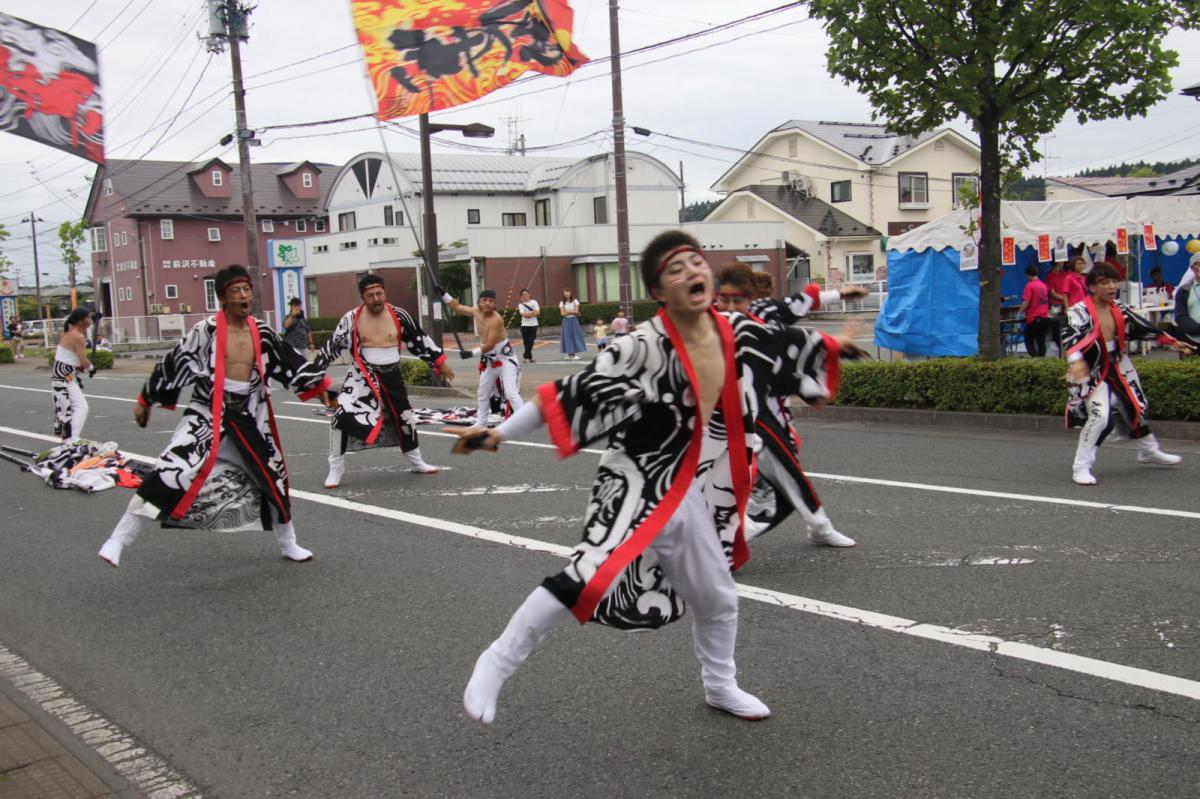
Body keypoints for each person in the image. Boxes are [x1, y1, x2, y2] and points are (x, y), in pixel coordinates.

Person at [448, 230, 860, 727]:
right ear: (660, 292)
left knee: (718, 596)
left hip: (702, 487)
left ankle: (720, 685)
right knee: (589, 576)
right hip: (642, 478)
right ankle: (497, 660)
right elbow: (569, 395)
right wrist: (500, 432)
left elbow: (792, 341)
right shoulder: (641, 347)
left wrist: (835, 345)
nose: (693, 273)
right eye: (675, 269)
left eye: (696, 262)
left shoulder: (738, 331)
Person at [96, 265, 334, 567]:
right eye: (236, 291)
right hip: (207, 417)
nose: (244, 296)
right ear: (223, 297)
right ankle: (117, 540)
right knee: (170, 473)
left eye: (247, 289)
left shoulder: (261, 331)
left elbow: (290, 361)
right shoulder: (205, 331)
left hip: (249, 418)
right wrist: (146, 399)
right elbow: (175, 362)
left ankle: (289, 544)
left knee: (273, 481)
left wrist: (323, 388)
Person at [718, 265, 866, 547]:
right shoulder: (706, 324)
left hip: (760, 409)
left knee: (786, 465)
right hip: (715, 416)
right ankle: (726, 536)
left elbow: (796, 329)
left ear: (751, 299)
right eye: (724, 300)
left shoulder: (763, 318)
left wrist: (834, 340)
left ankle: (812, 525)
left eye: (738, 300)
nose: (730, 307)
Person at [314, 274, 453, 488]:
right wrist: (315, 376)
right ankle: (336, 466)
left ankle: (416, 461)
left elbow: (419, 339)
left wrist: (439, 362)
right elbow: (332, 346)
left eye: (380, 294)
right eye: (371, 295)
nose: (377, 299)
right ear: (363, 297)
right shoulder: (351, 318)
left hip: (392, 375)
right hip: (362, 376)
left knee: (405, 417)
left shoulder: (399, 314)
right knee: (340, 418)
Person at [1063, 264, 1194, 486]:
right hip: (1092, 369)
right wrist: (1076, 363)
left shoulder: (1119, 308)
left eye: (1114, 282)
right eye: (1105, 283)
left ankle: (1148, 450)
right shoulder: (1078, 311)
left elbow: (1142, 328)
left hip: (1117, 364)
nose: (1112, 287)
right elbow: (1071, 339)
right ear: (1093, 287)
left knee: (1135, 405)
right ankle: (1081, 466)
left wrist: (1171, 342)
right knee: (1101, 417)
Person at [442, 287, 523, 429]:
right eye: (484, 300)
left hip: (505, 359)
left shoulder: (496, 319)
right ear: (479, 302)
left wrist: (470, 353)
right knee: (483, 392)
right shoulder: (476, 312)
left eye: (491, 301)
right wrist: (443, 294)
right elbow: (457, 306)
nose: (487, 303)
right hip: (488, 360)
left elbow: (490, 345)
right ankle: (481, 422)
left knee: (511, 393)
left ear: (495, 304)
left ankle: (525, 420)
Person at [51, 308, 94, 442]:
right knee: (81, 406)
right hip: (64, 375)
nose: (90, 320)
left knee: (69, 407)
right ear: (81, 321)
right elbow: (83, 361)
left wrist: (82, 367)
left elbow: (71, 359)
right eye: (88, 318)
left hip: (63, 374)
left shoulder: (71, 332)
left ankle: (69, 437)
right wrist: (91, 368)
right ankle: (71, 438)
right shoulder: (78, 336)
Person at [1017, 265, 1050, 357]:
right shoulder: (1043, 285)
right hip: (1045, 317)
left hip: (1034, 318)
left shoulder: (1029, 285)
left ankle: (1035, 359)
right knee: (1041, 341)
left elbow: (1026, 302)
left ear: (1027, 275)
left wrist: (1019, 312)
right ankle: (1042, 360)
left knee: (1029, 340)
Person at [1172, 252, 1200, 347]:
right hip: (1193, 339)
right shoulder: (1184, 290)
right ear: (1192, 268)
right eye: (1198, 264)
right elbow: (1180, 316)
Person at [558, 288, 585, 360]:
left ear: (570, 293)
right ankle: (569, 354)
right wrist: (571, 312)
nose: (566, 294)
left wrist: (568, 312)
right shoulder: (562, 303)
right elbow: (562, 314)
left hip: (574, 320)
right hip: (566, 321)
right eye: (565, 292)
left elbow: (577, 311)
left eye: (567, 292)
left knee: (574, 336)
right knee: (567, 337)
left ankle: (574, 354)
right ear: (563, 294)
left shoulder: (575, 301)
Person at [516, 289, 539, 363]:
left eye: (527, 294)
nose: (526, 295)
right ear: (521, 296)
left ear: (529, 294)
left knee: (531, 341)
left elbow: (538, 312)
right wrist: (533, 312)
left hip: (533, 325)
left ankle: (525, 356)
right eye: (524, 294)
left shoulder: (534, 302)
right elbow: (524, 315)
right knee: (526, 343)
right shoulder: (520, 304)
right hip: (525, 325)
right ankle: (530, 358)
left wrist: (530, 314)